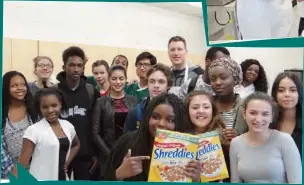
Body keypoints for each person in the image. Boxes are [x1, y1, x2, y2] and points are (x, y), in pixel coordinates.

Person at [104, 93, 200, 182]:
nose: (161, 124)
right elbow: (105, 179)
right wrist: (119, 174)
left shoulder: (188, 151)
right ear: (147, 117)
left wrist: (196, 180)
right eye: (156, 117)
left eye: (170, 120)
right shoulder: (127, 142)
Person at [230, 92, 302, 183]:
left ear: (272, 116)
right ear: (244, 114)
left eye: (265, 114)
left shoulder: (285, 140)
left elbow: (296, 181)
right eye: (253, 113)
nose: (258, 119)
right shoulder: (236, 143)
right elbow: (235, 182)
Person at [16, 88, 81, 181]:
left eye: (54, 105)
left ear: (60, 104)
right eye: (45, 107)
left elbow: (76, 145)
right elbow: (21, 166)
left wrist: (66, 162)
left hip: (63, 178)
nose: (50, 110)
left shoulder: (68, 126)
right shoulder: (33, 130)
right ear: (40, 108)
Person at [56, 46, 100, 180]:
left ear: (83, 68)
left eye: (80, 65)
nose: (76, 69)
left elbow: (97, 125)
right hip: (60, 154)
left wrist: (97, 153)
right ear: (64, 67)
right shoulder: (55, 91)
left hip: (86, 156)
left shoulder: (90, 91)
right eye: (72, 65)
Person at [92, 65, 137, 179]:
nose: (118, 82)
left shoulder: (134, 100)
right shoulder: (101, 102)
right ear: (109, 79)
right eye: (114, 79)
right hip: (107, 153)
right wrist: (110, 153)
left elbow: (138, 128)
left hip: (129, 152)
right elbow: (95, 132)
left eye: (121, 78)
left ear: (126, 79)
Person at [185, 90, 230, 182]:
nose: (201, 111)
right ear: (187, 111)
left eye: (206, 107)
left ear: (213, 111)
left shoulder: (224, 140)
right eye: (195, 107)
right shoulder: (178, 140)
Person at [124, 63, 172, 132]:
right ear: (147, 84)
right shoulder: (135, 113)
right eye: (152, 81)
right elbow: (127, 140)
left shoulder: (175, 112)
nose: (156, 85)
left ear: (168, 85)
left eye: (161, 82)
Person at [2, 71, 38, 162]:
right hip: (11, 169)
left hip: (37, 166)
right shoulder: (3, 112)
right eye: (14, 86)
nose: (20, 88)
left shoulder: (34, 108)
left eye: (23, 85)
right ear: (6, 88)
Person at [208, 57, 246, 136]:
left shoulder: (245, 106)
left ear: (235, 79)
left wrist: (239, 137)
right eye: (213, 79)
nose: (218, 82)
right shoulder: (206, 105)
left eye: (223, 78)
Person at [270, 72, 302, 157]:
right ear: (275, 94)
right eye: (281, 90)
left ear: (299, 93)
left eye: (292, 90)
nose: (287, 94)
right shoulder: (267, 122)